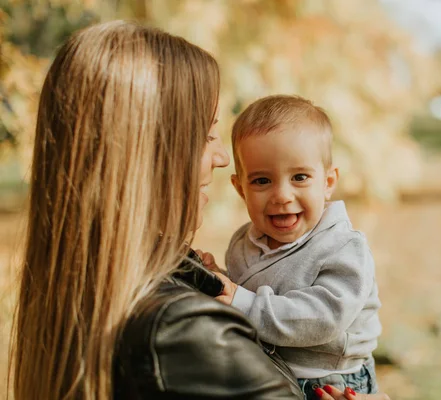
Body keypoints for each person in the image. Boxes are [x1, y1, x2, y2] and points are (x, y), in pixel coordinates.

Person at [9, 21, 390, 400]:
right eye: (207, 135)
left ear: (328, 180)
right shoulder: (184, 331)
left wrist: (211, 279)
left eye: (300, 177)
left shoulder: (93, 289)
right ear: (147, 154)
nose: (222, 157)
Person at [201, 95, 382, 400]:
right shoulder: (244, 242)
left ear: (327, 182)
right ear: (239, 188)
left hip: (330, 380)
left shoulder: (343, 248)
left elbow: (323, 318)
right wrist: (216, 279)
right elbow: (245, 292)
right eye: (261, 181)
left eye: (299, 177)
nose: (282, 195)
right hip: (269, 370)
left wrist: (240, 301)